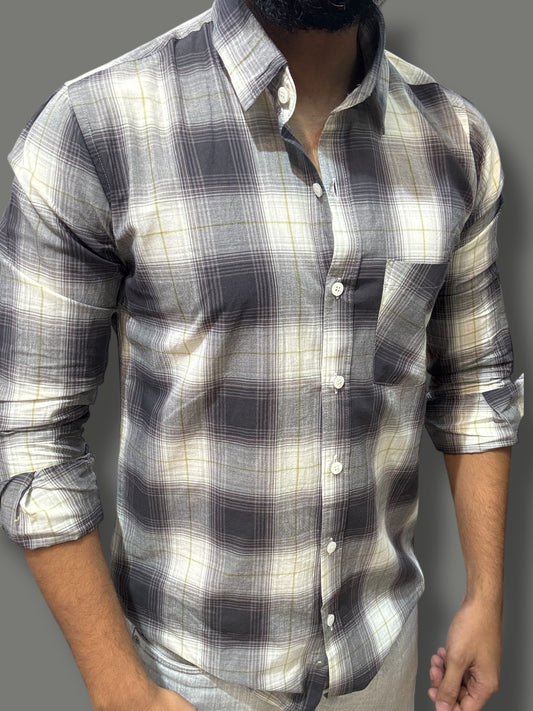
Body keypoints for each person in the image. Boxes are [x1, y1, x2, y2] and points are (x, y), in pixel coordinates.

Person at [0, 0, 524, 709]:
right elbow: (30, 430)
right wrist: (119, 687)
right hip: (186, 678)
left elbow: (474, 385)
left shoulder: (455, 139)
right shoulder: (96, 128)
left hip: (381, 659)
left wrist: (486, 596)